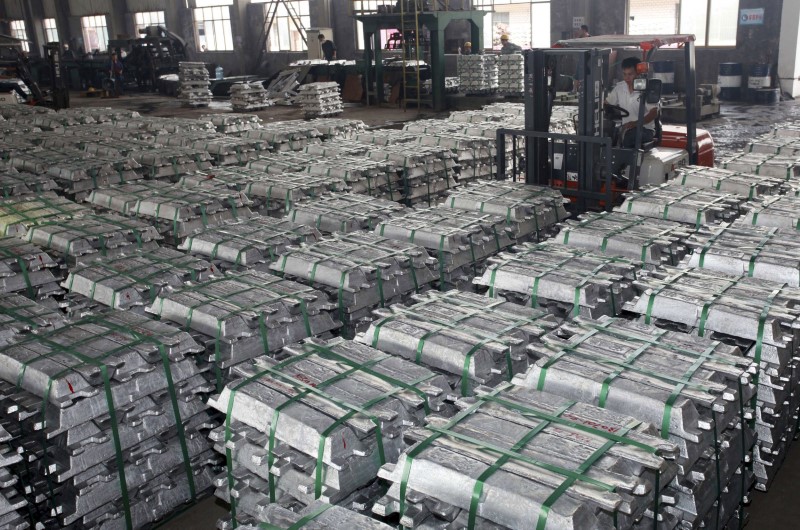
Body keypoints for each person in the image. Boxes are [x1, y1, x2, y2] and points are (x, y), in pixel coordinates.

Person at [605, 57, 659, 148]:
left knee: (629, 137)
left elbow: (654, 112)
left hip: (645, 130)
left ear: (638, 73)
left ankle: (625, 161)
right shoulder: (620, 87)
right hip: (626, 129)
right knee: (605, 135)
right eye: (625, 74)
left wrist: (635, 123)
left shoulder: (647, 89)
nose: (627, 78)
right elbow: (607, 103)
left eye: (630, 74)